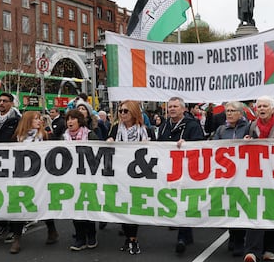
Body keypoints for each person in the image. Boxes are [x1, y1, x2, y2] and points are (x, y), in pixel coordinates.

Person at [242, 96, 274, 262]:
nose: (261, 109)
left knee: (271, 207)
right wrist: (245, 141)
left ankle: (271, 247)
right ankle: (252, 251)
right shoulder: (252, 126)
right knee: (255, 208)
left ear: (273, 109)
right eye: (259, 106)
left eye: (265, 106)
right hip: (255, 173)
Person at [157, 96, 205, 253]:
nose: (171, 109)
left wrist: (187, 145)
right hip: (169, 170)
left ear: (183, 109)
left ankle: (183, 237)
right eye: (170, 106)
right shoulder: (164, 126)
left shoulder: (192, 125)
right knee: (173, 200)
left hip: (186, 171)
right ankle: (187, 233)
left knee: (184, 201)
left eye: (175, 106)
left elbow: (201, 145)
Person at [9, 111, 58, 254]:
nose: (39, 121)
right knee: (18, 205)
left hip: (41, 177)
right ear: (27, 121)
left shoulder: (46, 137)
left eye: (40, 119)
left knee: (42, 203)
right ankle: (17, 238)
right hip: (21, 177)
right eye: (36, 119)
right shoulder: (16, 139)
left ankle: (52, 229)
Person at [106, 101, 152, 254]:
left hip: (138, 174)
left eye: (125, 111)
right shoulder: (114, 129)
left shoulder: (145, 131)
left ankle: (133, 238)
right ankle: (128, 237)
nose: (122, 113)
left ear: (133, 113)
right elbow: (108, 143)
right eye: (120, 111)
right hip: (119, 174)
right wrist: (109, 141)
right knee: (122, 205)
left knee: (133, 206)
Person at [212, 101, 251, 256]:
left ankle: (240, 239)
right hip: (226, 173)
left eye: (232, 110)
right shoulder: (221, 129)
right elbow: (213, 147)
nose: (228, 113)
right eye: (227, 110)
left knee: (240, 204)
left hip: (243, 173)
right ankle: (233, 236)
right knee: (229, 204)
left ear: (240, 113)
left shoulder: (248, 127)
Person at [63, 108, 102, 252]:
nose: (70, 121)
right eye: (68, 119)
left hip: (89, 177)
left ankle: (91, 235)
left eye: (73, 119)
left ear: (79, 121)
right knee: (75, 208)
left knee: (88, 206)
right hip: (71, 178)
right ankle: (80, 237)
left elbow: (99, 152)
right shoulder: (63, 137)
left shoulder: (90, 135)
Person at [0, 92, 21, 243]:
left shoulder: (17, 120)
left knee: (11, 198)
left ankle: (15, 230)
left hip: (11, 163)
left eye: (5, 101)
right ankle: (2, 226)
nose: (1, 103)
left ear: (11, 103)